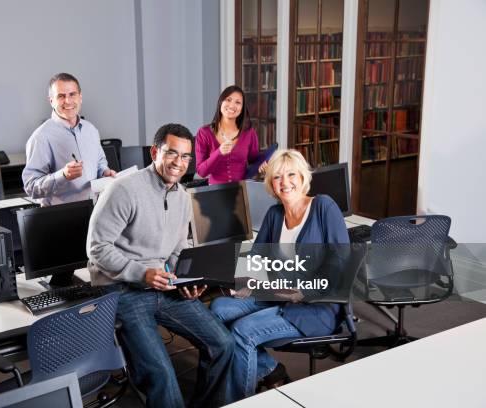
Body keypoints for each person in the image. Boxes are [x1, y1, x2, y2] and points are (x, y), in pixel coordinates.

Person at [87, 123, 234, 408]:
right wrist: (142, 273)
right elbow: (96, 249)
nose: (178, 163)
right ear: (155, 152)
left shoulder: (182, 196)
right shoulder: (124, 190)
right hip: (122, 288)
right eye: (171, 154)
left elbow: (179, 247)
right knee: (161, 373)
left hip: (164, 284)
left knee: (223, 345)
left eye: (185, 157)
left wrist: (188, 279)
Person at [210, 149, 350, 403]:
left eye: (291, 175)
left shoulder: (323, 207)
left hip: (314, 307)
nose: (285, 182)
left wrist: (304, 291)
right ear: (271, 184)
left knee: (242, 332)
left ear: (303, 177)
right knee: (217, 310)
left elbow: (339, 264)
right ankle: (267, 371)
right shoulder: (275, 214)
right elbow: (255, 257)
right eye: (277, 177)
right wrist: (244, 283)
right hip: (276, 293)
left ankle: (234, 401)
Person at [22, 72, 116, 206]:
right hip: (61, 217)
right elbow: (31, 187)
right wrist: (63, 176)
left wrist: (105, 172)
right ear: (51, 101)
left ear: (80, 97)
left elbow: (100, 162)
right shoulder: (40, 137)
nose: (68, 101)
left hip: (95, 209)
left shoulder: (91, 130)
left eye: (72, 94)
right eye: (61, 96)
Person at [195, 85, 263, 184]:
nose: (232, 105)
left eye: (238, 102)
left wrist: (263, 164)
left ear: (242, 108)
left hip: (242, 191)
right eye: (228, 100)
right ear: (220, 102)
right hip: (215, 191)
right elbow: (201, 172)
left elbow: (254, 160)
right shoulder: (204, 132)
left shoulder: (249, 132)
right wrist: (218, 153)